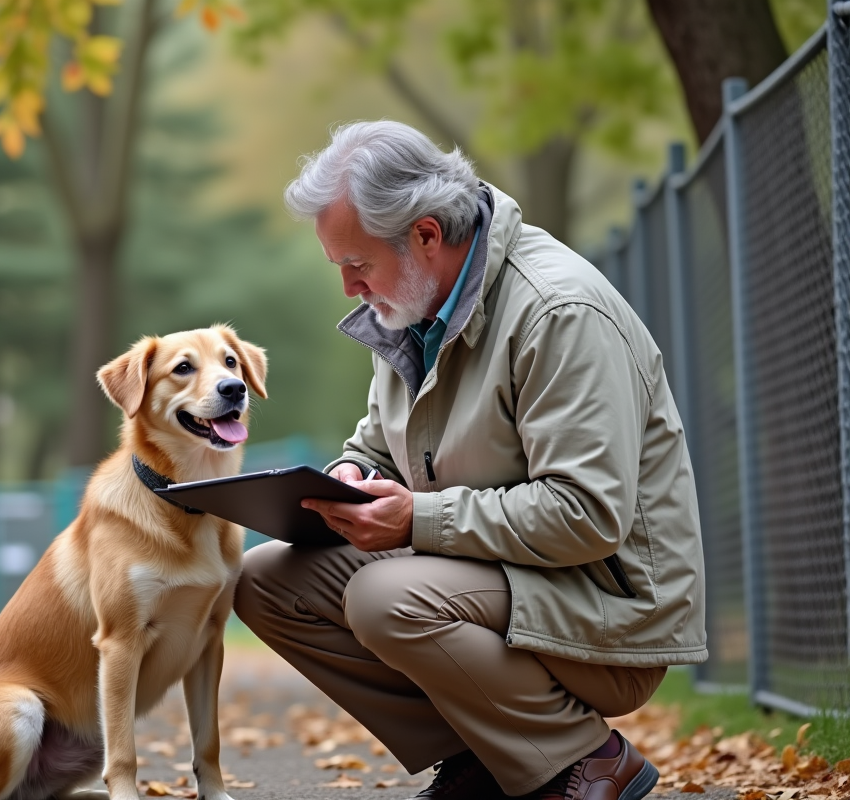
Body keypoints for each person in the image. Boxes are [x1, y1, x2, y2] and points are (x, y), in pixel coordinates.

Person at [232, 120, 706, 800]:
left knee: (382, 599)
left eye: (357, 266)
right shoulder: (412, 308)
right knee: (266, 582)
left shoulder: (558, 312)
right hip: (496, 580)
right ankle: (485, 758)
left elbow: (587, 514)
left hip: (608, 613)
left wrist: (416, 520)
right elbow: (377, 443)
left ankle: (589, 758)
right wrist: (345, 478)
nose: (349, 290)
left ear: (426, 234)